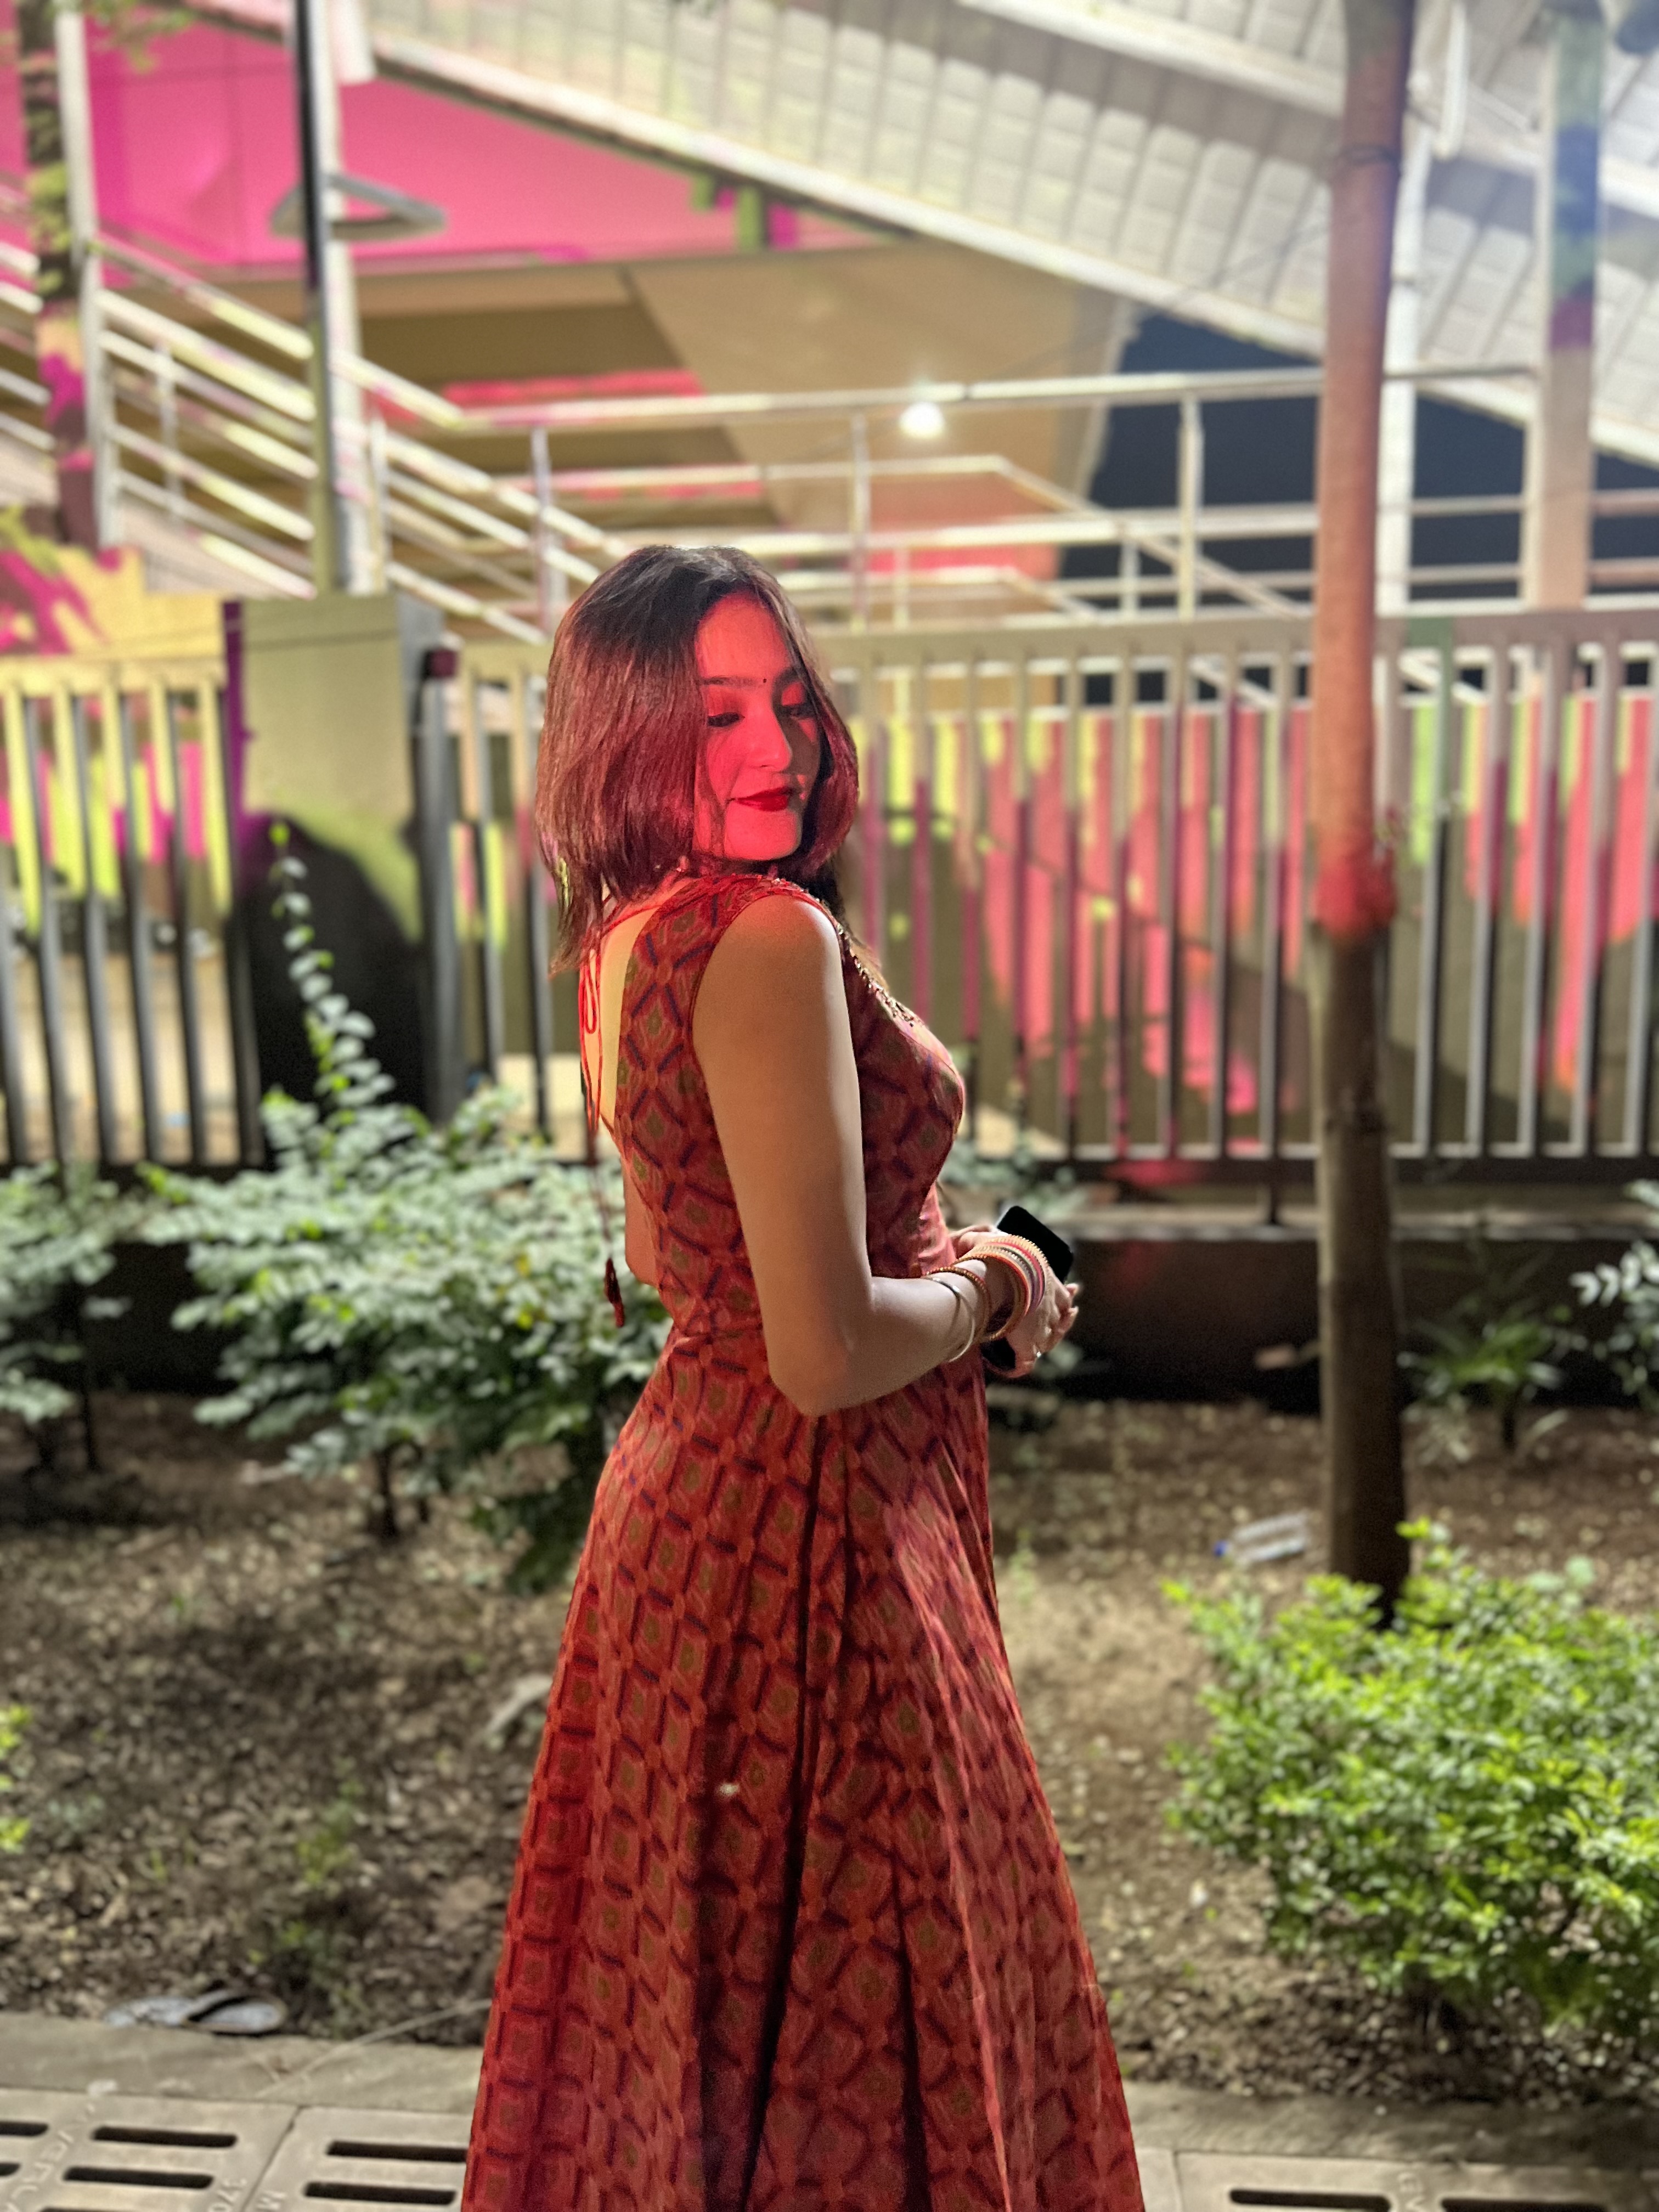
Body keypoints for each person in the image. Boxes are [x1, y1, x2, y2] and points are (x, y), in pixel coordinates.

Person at [463, 546, 1144, 2212]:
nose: (773, 745)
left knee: (694, 2009)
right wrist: (992, 1286)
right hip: (815, 1533)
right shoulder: (765, 937)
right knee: (874, 2002)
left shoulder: (626, 937)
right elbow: (826, 1351)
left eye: (785, 699)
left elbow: (668, 1251)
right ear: (626, 736)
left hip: (691, 1526)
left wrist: (902, 1247)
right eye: (713, 716)